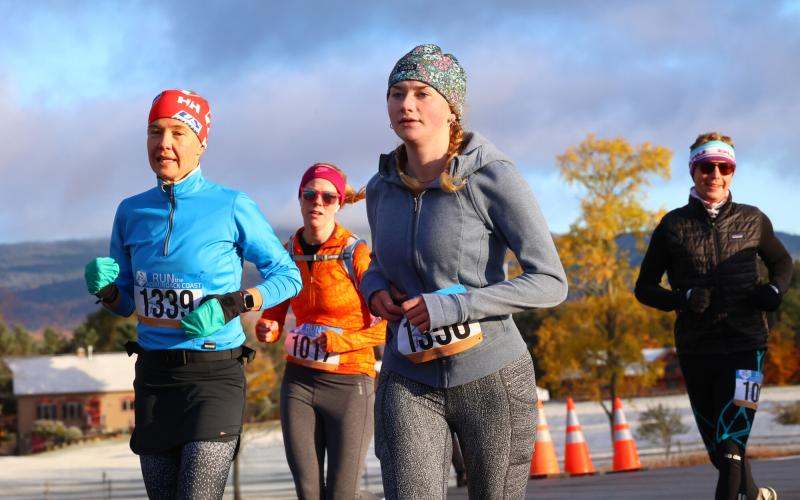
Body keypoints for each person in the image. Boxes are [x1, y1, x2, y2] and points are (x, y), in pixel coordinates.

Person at [360, 44, 568, 499]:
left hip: (491, 374)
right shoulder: (380, 189)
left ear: (451, 108)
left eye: (421, 93)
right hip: (407, 376)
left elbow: (550, 281)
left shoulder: (492, 176)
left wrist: (453, 306)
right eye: (396, 93)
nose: (406, 104)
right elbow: (379, 262)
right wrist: (373, 288)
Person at [83, 89, 302, 500]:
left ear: (201, 142)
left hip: (214, 376)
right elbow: (128, 303)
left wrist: (235, 303)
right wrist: (107, 290)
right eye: (155, 132)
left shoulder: (232, 205)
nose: (163, 144)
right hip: (154, 379)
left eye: (178, 132)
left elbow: (288, 276)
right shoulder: (130, 211)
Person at [635, 132, 791, 500]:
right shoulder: (672, 226)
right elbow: (644, 288)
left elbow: (782, 262)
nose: (716, 174)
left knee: (733, 439)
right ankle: (755, 496)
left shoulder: (753, 219)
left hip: (747, 345)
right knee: (719, 450)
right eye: (707, 166)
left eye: (724, 167)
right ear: (694, 171)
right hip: (696, 349)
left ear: (733, 171)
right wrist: (684, 298)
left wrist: (774, 290)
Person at [255, 163, 386, 500]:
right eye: (310, 194)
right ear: (299, 198)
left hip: (350, 384)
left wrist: (345, 340)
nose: (318, 202)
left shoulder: (354, 252)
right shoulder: (287, 253)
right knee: (308, 493)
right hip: (298, 382)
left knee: (341, 494)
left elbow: (388, 325)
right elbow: (272, 315)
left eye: (328, 197)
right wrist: (266, 328)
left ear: (339, 203)